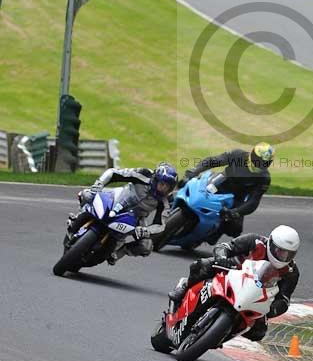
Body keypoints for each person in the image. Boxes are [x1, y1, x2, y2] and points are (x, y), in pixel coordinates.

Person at [169, 225, 300, 341]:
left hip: (256, 296)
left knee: (258, 333)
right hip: (232, 271)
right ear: (271, 243)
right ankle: (185, 286)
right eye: (280, 251)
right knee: (202, 265)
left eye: (288, 254)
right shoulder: (255, 241)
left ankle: (223, 334)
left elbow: (284, 299)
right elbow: (224, 247)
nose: (283, 256)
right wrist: (222, 258)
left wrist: (270, 310)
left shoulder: (291, 272)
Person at [66, 162, 178, 262]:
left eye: (168, 187)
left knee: (146, 246)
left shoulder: (167, 200)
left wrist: (145, 230)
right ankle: (76, 219)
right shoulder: (143, 174)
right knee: (87, 194)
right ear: (156, 179)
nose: (164, 189)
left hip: (137, 216)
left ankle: (118, 253)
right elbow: (113, 173)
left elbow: (160, 224)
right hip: (118, 198)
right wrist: (97, 185)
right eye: (162, 184)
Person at [180, 142, 275, 237]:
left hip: (236, 198)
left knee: (235, 230)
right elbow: (213, 161)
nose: (259, 163)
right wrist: (193, 171)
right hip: (220, 183)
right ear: (252, 154)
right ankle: (174, 203)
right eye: (258, 159)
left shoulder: (264, 179)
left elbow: (253, 201)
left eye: (264, 163)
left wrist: (236, 212)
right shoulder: (238, 155)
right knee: (188, 184)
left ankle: (212, 233)